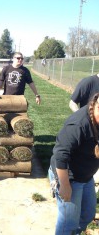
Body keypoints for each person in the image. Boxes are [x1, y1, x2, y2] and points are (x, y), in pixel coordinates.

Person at [48, 93, 99, 234]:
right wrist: (64, 185)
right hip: (68, 176)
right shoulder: (79, 124)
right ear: (96, 107)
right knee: (68, 222)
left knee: (87, 214)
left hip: (85, 176)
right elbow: (60, 155)